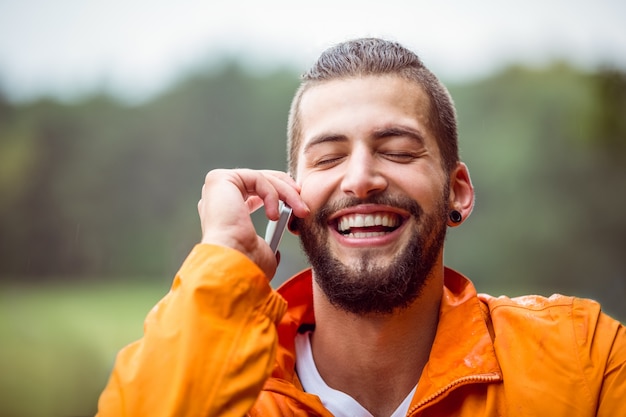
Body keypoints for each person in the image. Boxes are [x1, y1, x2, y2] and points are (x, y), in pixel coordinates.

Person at [96, 38, 626, 417]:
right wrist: (224, 263)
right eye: (328, 159)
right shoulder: (230, 389)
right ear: (291, 195)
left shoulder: (584, 363)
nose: (362, 178)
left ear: (456, 190)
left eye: (396, 150)